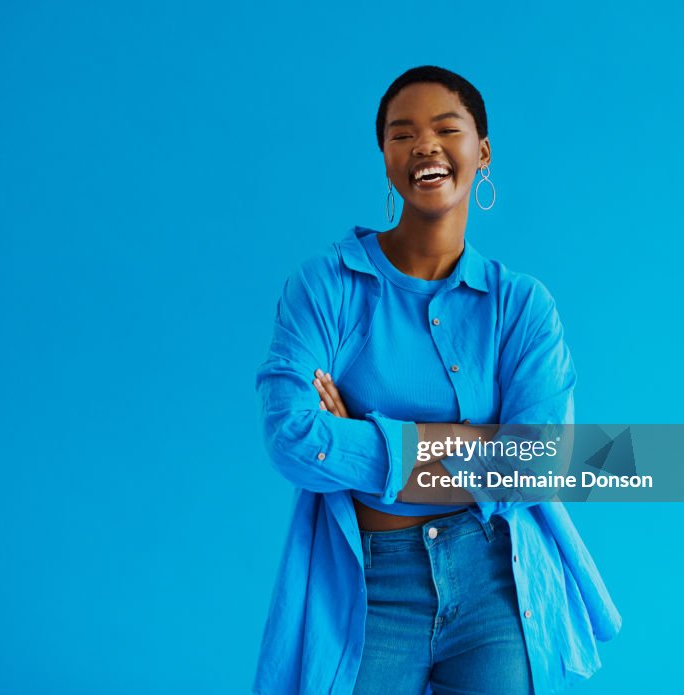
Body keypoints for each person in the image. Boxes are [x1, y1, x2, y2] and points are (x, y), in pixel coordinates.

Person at [254, 66, 620, 695]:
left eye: (445, 128)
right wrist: (477, 439)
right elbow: (292, 436)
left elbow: (537, 464)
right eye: (402, 134)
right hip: (369, 585)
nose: (424, 144)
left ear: (481, 152)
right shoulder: (325, 287)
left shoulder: (522, 306)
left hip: (493, 579)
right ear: (387, 160)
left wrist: (364, 441)